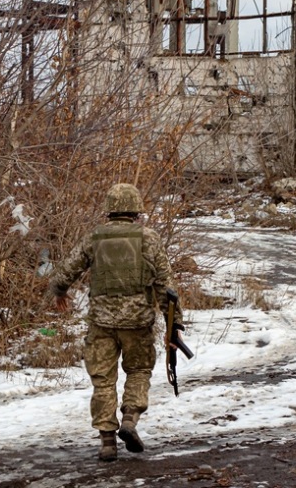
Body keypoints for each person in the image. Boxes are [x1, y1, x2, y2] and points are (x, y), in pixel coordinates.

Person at [45, 183, 181, 461]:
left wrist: (60, 292)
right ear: (136, 211)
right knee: (139, 370)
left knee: (103, 380)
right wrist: (173, 326)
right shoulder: (149, 238)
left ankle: (107, 441)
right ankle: (130, 419)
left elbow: (64, 273)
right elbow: (165, 286)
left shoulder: (93, 238)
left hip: (101, 323)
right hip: (138, 321)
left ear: (109, 210)